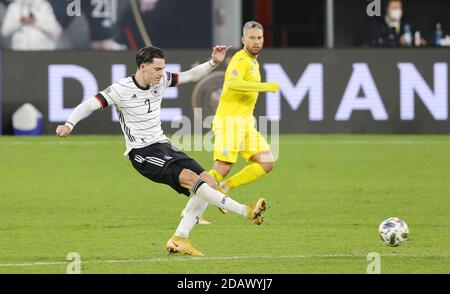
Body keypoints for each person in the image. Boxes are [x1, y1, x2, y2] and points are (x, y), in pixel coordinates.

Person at [55, 45, 267, 256]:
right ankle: (247, 212)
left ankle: (179, 239)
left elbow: (191, 76)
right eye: (157, 69)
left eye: (163, 68)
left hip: (163, 145)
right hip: (142, 153)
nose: (161, 73)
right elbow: (88, 105)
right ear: (142, 67)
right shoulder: (121, 89)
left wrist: (213, 62)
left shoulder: (162, 80)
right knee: (194, 181)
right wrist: (69, 124)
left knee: (208, 181)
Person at [207, 21, 280, 211]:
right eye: (252, 38)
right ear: (243, 39)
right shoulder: (240, 59)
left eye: (259, 38)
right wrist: (265, 87)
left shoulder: (253, 62)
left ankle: (224, 187)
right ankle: (190, 211)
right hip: (229, 121)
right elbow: (231, 83)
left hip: (245, 124)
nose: (256, 42)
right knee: (221, 167)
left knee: (266, 162)